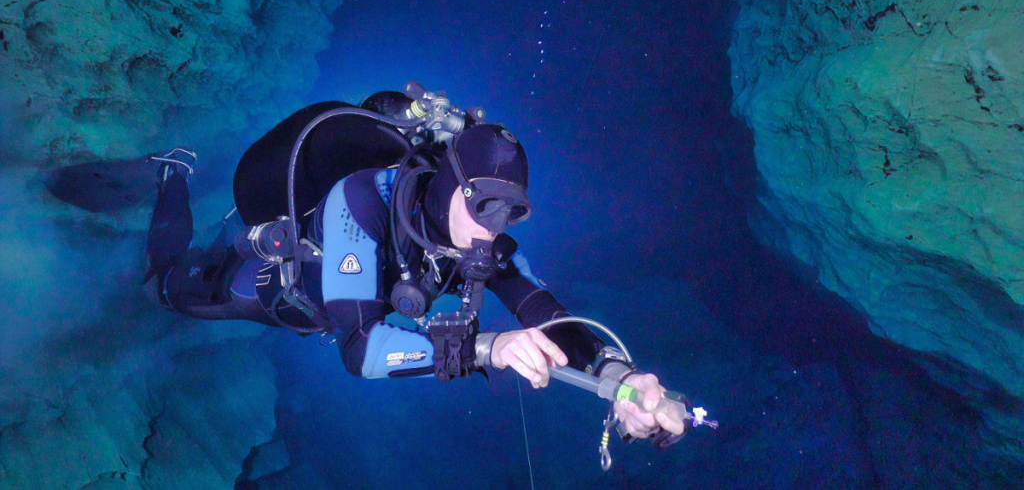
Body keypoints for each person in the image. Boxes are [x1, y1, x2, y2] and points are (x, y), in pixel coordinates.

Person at [50, 84, 686, 448]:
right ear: (449, 185)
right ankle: (173, 173)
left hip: (317, 294)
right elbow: (359, 349)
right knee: (163, 289)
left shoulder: (484, 246)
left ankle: (212, 209)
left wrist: (619, 377)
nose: (494, 228)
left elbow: (546, 314)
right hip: (278, 286)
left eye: (511, 212)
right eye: (484, 204)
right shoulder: (361, 198)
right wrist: (492, 349)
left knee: (213, 250)